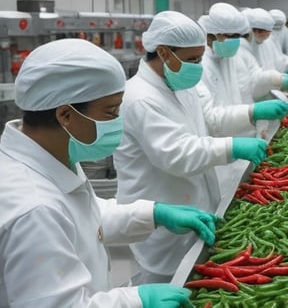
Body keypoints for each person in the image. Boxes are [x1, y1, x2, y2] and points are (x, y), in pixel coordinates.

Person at [1, 38, 217, 307]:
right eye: (111, 111)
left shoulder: (49, 157)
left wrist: (152, 214)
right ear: (65, 115)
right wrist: (138, 300)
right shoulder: (33, 209)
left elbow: (81, 217)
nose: (118, 121)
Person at [114, 11, 270, 283]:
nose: (198, 65)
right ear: (163, 52)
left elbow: (210, 119)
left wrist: (251, 113)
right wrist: (231, 148)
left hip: (194, 204)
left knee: (193, 282)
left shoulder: (181, 83)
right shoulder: (140, 98)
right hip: (164, 217)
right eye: (193, 59)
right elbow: (175, 154)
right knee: (163, 285)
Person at [196, 3, 288, 139]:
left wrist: (280, 79)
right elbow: (208, 117)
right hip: (216, 143)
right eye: (230, 36)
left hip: (237, 133)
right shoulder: (199, 64)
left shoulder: (228, 56)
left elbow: (247, 88)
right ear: (210, 35)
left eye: (237, 36)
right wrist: (251, 112)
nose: (235, 40)